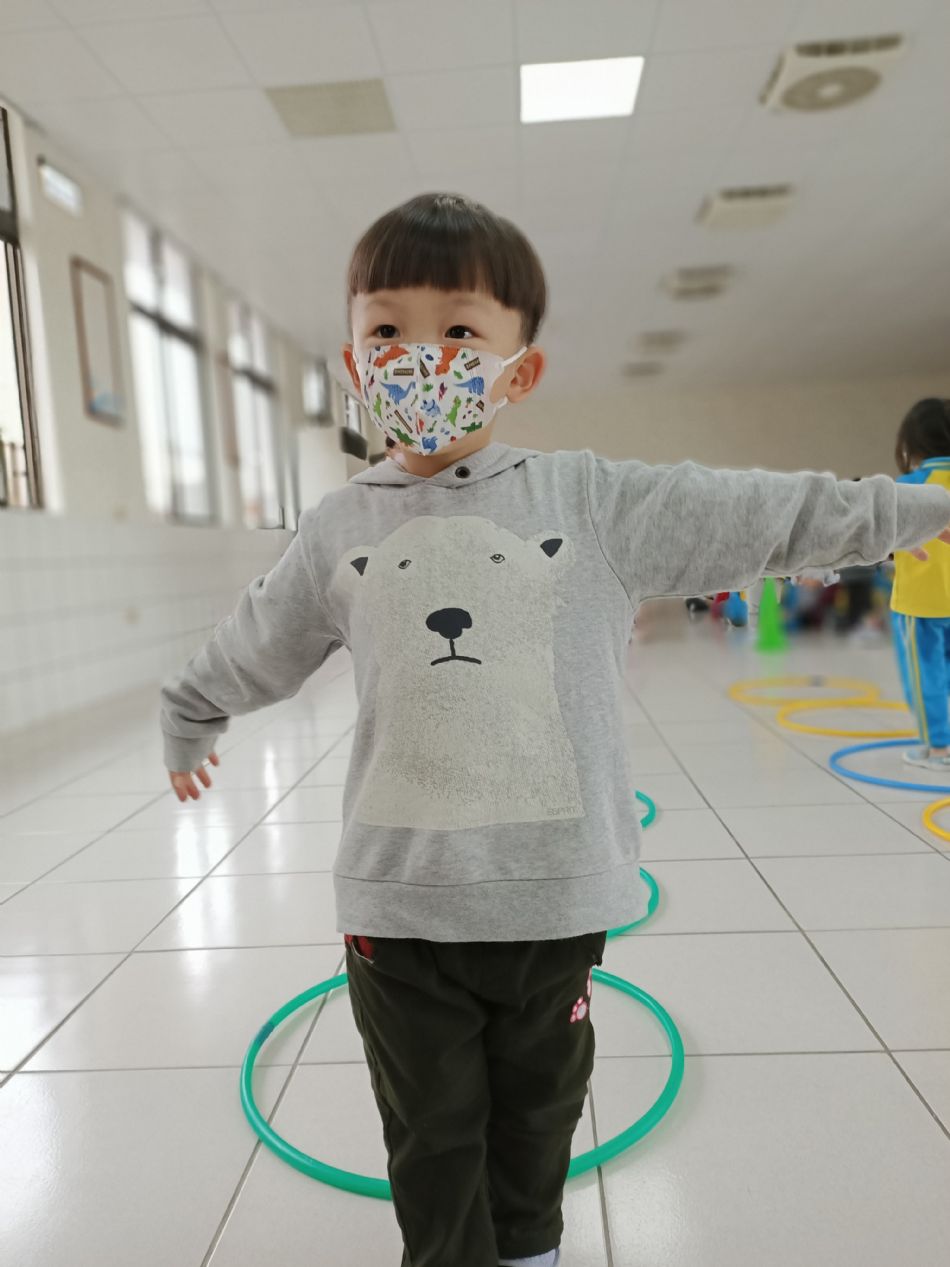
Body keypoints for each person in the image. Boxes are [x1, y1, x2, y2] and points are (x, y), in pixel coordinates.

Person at [159, 194, 950, 1267]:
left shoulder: (589, 500)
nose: (420, 356)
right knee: (432, 1138)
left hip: (553, 898)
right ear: (352, 363)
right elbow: (258, 638)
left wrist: (921, 508)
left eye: (458, 329)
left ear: (518, 370)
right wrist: (190, 708)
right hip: (402, 908)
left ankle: (530, 1249)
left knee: (538, 1118)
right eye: (386, 329)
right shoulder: (339, 526)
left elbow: (769, 513)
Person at [891, 397, 950, 770]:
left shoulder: (909, 485)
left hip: (921, 603)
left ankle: (939, 749)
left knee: (925, 675)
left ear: (911, 443)